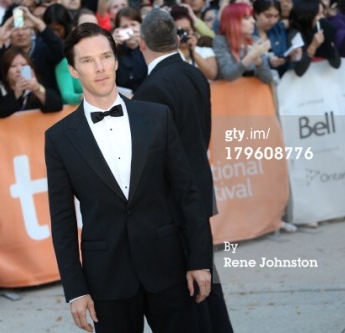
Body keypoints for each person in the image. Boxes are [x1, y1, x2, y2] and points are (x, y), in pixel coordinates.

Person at [45, 22, 213, 333]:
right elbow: (63, 220)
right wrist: (76, 289)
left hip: (169, 268)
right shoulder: (59, 138)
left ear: (116, 60)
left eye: (106, 56)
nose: (99, 67)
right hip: (106, 280)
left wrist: (200, 259)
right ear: (72, 70)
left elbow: (187, 193)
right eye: (87, 60)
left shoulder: (156, 117)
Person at [133, 9, 233, 333]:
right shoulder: (194, 74)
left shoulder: (150, 90)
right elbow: (203, 133)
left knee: (192, 285)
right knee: (207, 281)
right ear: (177, 39)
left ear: (141, 43)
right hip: (197, 190)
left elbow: (155, 159)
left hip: (174, 204)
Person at [0, 5, 64, 97]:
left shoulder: (44, 49)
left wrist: (38, 23)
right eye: (15, 29)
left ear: (31, 29)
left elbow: (61, 51)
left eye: (25, 27)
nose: (20, 33)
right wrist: (0, 38)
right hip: (17, 107)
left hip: (47, 104)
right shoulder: (4, 56)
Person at [0, 46, 62, 117]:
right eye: (13, 66)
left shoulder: (36, 86)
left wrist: (37, 89)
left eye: (23, 65)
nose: (19, 69)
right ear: (5, 72)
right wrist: (16, 94)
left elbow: (57, 106)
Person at [212, 2, 274, 84]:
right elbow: (228, 75)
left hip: (253, 94)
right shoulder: (220, 41)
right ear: (233, 21)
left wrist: (259, 62)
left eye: (252, 17)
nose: (253, 21)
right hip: (228, 93)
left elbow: (268, 79)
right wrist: (250, 56)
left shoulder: (255, 40)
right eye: (247, 18)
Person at [288, 0, 341, 76]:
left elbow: (336, 63)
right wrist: (313, 47)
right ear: (307, 15)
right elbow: (299, 71)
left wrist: (329, 42)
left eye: (322, 13)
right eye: (318, 14)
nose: (322, 17)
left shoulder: (320, 30)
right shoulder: (294, 34)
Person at [170, 4, 218, 81]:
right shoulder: (169, 55)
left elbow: (212, 75)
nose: (183, 34)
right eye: (179, 31)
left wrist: (193, 52)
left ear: (194, 31)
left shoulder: (206, 51)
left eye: (187, 30)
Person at [113, 7, 148, 92]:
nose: (130, 30)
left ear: (140, 26)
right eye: (125, 27)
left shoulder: (149, 47)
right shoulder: (114, 50)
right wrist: (111, 46)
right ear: (118, 30)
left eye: (133, 25)